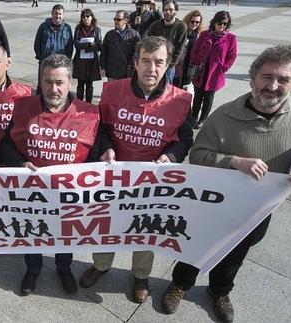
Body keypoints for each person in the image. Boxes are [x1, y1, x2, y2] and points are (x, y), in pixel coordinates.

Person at [161, 45, 291, 323]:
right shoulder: (224, 115)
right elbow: (198, 156)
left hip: (258, 209)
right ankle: (180, 284)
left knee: (236, 253)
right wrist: (234, 162)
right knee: (196, 245)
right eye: (267, 77)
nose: (273, 86)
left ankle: (219, 290)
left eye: (283, 79)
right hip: (213, 204)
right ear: (253, 78)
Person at [80, 36, 193, 304]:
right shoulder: (112, 91)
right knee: (106, 223)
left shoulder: (180, 101)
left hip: (151, 181)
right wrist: (105, 148)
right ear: (135, 62)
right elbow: (102, 127)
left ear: (168, 65)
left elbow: (186, 139)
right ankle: (100, 265)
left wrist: (170, 156)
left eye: (159, 62)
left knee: (144, 228)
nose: (151, 68)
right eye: (146, 61)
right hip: (113, 175)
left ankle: (141, 274)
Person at [0, 54, 112, 297]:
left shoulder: (89, 114)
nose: (53, 88)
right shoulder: (23, 108)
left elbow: (99, 147)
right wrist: (20, 162)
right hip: (32, 193)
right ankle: (33, 269)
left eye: (59, 82)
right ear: (41, 81)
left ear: (69, 81)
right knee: (33, 231)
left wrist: (103, 156)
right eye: (48, 82)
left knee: (66, 232)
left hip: (69, 193)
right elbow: (5, 145)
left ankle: (64, 268)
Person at [190, 11, 237, 129]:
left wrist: (224, 67)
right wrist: (195, 62)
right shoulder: (205, 34)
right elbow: (195, 49)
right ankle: (193, 117)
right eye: (219, 23)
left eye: (225, 24)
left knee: (209, 98)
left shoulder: (231, 38)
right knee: (197, 96)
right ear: (214, 22)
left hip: (215, 73)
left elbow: (232, 55)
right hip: (201, 71)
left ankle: (202, 119)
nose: (222, 26)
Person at [33, 4, 73, 93]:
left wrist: (67, 61)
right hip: (45, 63)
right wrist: (42, 58)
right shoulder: (43, 27)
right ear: (52, 14)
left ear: (63, 15)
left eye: (60, 14)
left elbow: (70, 46)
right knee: (43, 86)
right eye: (56, 13)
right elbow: (37, 43)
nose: (58, 16)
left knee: (59, 86)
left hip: (61, 65)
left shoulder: (67, 28)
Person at [147, 0, 188, 84]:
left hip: (168, 66)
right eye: (165, 10)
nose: (167, 12)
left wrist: (169, 65)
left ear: (176, 11)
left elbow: (179, 49)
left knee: (166, 89)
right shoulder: (155, 25)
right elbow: (148, 43)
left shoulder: (181, 26)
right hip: (154, 64)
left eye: (170, 10)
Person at [100, 10, 140, 80]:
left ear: (126, 20)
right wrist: (103, 67)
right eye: (114, 19)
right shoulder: (109, 34)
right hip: (112, 73)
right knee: (112, 91)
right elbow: (103, 52)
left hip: (127, 73)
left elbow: (138, 53)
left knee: (126, 91)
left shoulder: (134, 35)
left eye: (118, 19)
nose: (115, 21)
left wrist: (132, 66)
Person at [72, 8, 102, 103]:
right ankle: (79, 103)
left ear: (92, 17)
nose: (85, 18)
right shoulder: (78, 29)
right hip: (80, 61)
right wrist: (89, 45)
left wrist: (85, 45)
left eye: (88, 16)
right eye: (83, 17)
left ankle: (88, 103)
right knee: (80, 84)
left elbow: (99, 45)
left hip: (92, 62)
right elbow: (76, 44)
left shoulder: (97, 30)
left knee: (90, 85)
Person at [173, 9, 203, 90]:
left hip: (190, 69)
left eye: (197, 22)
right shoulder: (180, 32)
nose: (195, 24)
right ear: (188, 20)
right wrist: (176, 64)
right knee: (174, 89)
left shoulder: (198, 36)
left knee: (185, 89)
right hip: (178, 67)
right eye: (192, 21)